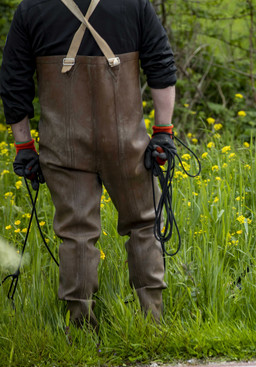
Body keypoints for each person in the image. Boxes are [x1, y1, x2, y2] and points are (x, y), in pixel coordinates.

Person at [0, 0, 178, 327]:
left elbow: (14, 81)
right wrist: (163, 132)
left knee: (76, 233)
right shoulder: (133, 4)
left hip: (63, 147)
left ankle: (80, 324)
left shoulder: (32, 9)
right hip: (127, 145)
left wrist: (24, 145)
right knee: (142, 224)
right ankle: (153, 320)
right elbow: (162, 65)